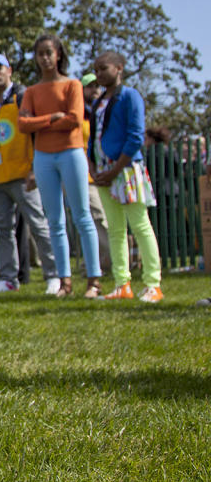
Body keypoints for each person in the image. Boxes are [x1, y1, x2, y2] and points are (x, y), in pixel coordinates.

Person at [18, 35, 102, 298]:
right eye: (40, 53)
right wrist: (53, 117)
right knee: (54, 220)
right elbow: (22, 124)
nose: (44, 58)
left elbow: (75, 119)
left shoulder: (73, 85)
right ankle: (64, 281)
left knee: (82, 216)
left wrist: (39, 121)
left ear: (58, 55)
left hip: (71, 153)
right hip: (43, 157)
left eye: (49, 52)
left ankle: (93, 280)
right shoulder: (31, 91)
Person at [0, 53, 59, 294]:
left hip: (22, 173)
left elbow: (35, 133)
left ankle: (54, 275)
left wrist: (34, 168)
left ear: (9, 70)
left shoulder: (23, 97)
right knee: (2, 230)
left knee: (38, 224)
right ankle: (8, 279)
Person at [88, 51, 163, 302]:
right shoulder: (99, 102)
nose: (99, 74)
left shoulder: (130, 97)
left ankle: (153, 283)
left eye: (104, 69)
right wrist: (94, 168)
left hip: (126, 169)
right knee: (115, 230)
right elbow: (93, 137)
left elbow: (135, 136)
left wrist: (115, 170)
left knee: (140, 225)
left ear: (119, 68)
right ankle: (122, 284)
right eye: (96, 70)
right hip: (103, 171)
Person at [81, 73, 112, 274]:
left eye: (97, 86)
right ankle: (101, 262)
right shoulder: (79, 114)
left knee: (106, 218)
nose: (95, 90)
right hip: (86, 175)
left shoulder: (103, 111)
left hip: (107, 172)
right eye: (90, 87)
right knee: (96, 217)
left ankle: (110, 261)